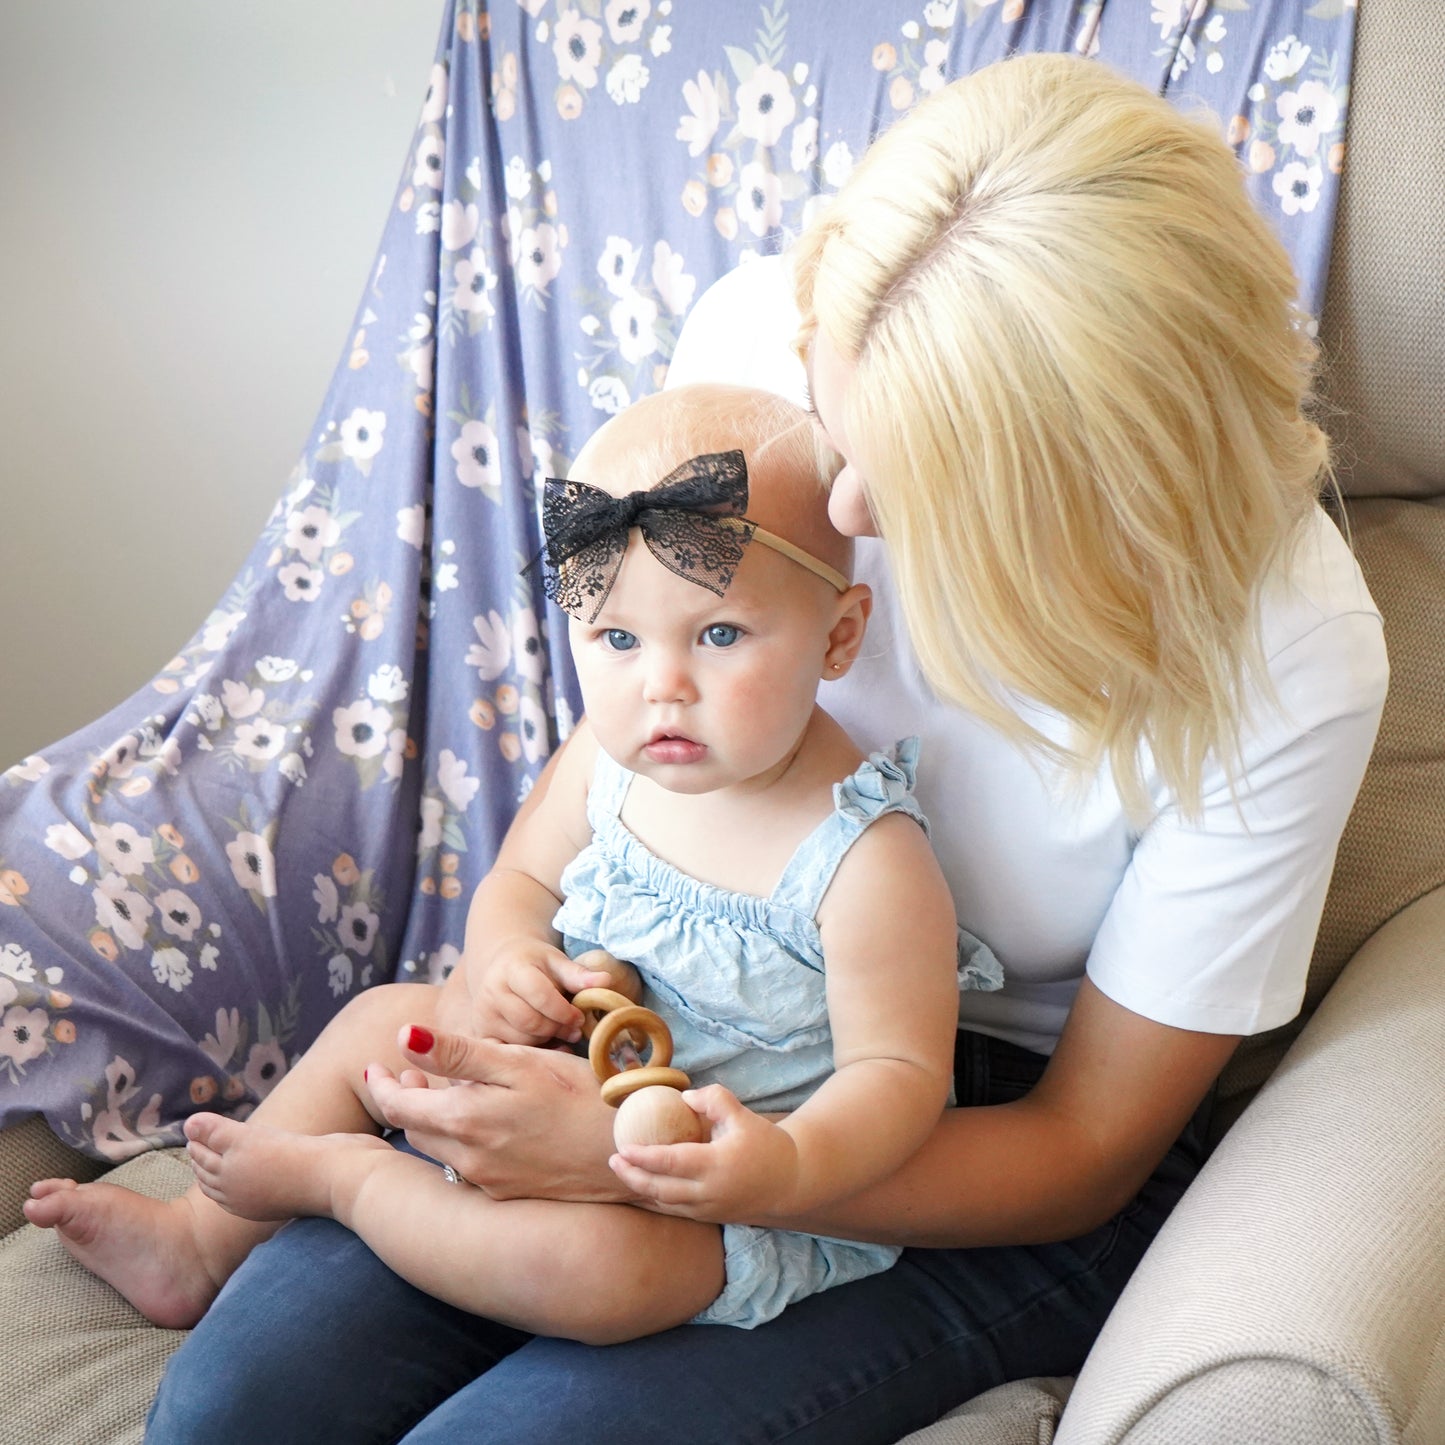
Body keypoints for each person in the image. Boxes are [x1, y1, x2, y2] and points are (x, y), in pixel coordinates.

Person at [134, 52, 1385, 1444]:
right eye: (830, 416)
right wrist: (549, 1010)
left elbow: (1082, 1151)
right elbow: (619, 760)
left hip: (971, 1133)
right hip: (665, 1034)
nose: (838, 497)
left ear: (1073, 488)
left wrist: (668, 1170)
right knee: (235, 1408)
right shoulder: (761, 374)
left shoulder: (1288, 651)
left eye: (894, 468)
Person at [25, 382, 966, 1345]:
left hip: (710, 1180)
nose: (663, 687)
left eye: (718, 634)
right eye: (617, 639)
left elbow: (897, 1071)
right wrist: (513, 959)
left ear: (839, 635)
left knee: (599, 1274)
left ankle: (351, 1179)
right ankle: (200, 1237)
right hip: (549, 1078)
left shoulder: (862, 859)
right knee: (388, 1018)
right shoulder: (605, 761)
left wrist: (787, 1164)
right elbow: (517, 884)